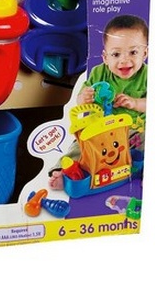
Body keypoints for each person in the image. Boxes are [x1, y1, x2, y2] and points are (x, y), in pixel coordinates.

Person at [49, 14, 148, 190]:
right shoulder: (98, 73)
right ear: (105, 57)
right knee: (81, 143)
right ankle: (66, 171)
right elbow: (79, 102)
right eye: (116, 54)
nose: (124, 60)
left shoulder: (147, 75)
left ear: (145, 53)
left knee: (148, 141)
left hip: (135, 130)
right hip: (100, 131)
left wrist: (135, 103)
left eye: (133, 52)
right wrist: (84, 98)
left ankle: (146, 171)